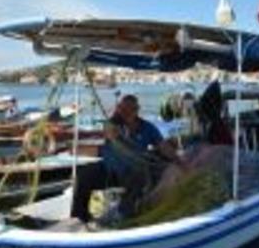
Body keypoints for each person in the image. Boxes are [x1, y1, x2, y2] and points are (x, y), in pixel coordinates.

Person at [71, 95, 180, 223]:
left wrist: (179, 161)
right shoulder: (113, 124)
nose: (124, 112)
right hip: (109, 169)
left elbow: (163, 146)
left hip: (132, 170)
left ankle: (123, 214)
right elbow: (107, 131)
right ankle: (79, 217)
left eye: (128, 109)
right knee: (84, 173)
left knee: (139, 176)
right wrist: (111, 132)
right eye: (121, 109)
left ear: (136, 110)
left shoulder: (147, 127)